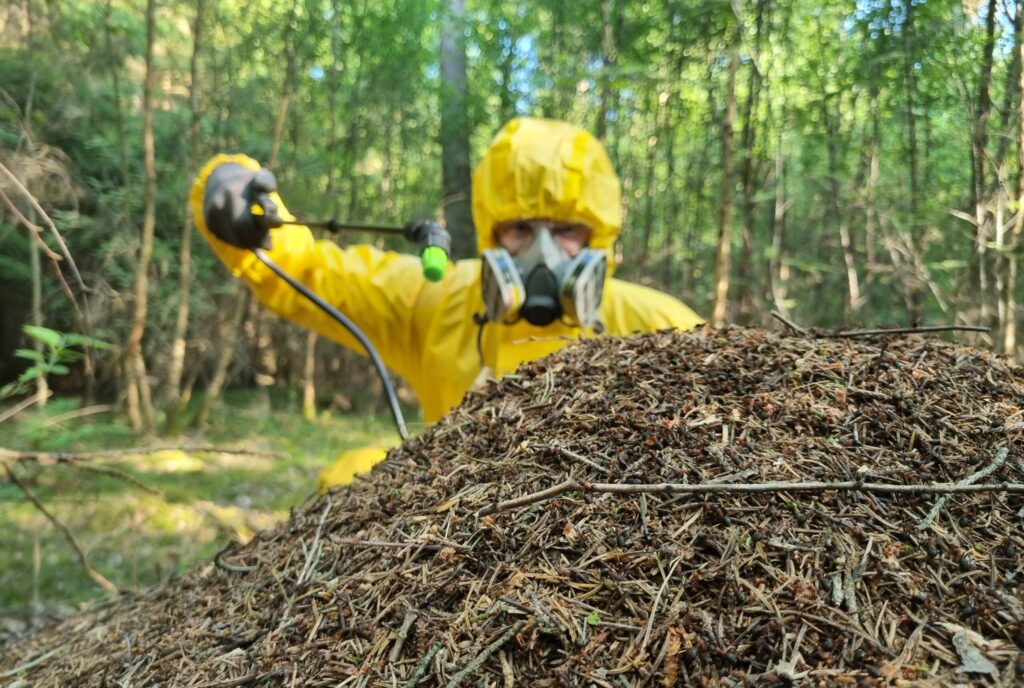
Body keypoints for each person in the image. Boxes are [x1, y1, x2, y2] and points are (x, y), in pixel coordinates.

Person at [191, 117, 704, 490]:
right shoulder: (437, 303)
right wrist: (246, 209)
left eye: (568, 230)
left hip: (611, 546)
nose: (544, 254)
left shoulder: (660, 326)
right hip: (456, 542)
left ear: (598, 236)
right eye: (521, 228)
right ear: (490, 233)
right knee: (350, 479)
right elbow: (316, 273)